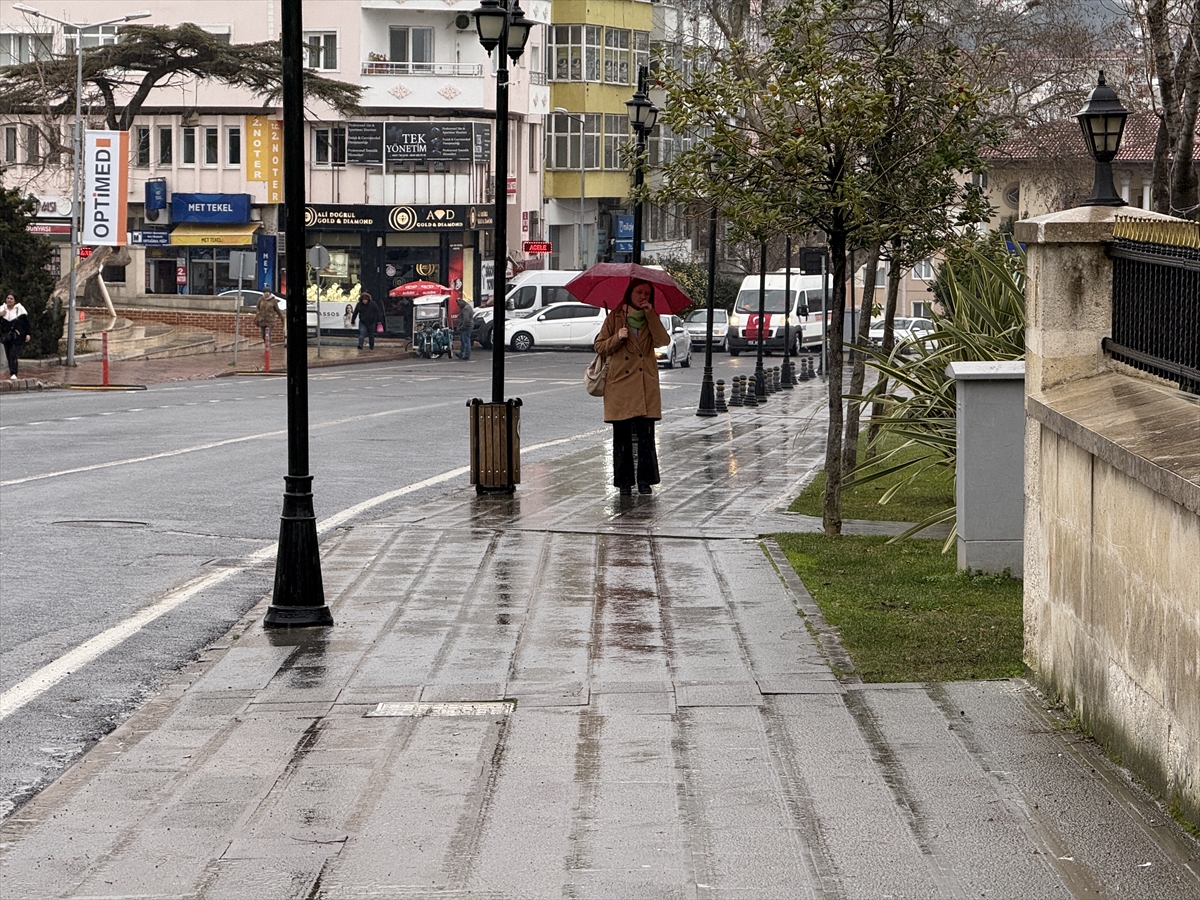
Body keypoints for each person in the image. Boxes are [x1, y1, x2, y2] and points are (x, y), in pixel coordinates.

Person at [593, 280, 670, 496]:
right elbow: (599, 346)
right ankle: (624, 483)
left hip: (645, 384)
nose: (642, 296)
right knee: (622, 437)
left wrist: (651, 315)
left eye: (647, 293)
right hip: (620, 385)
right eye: (639, 292)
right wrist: (618, 337)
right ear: (630, 293)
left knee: (646, 436)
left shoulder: (650, 316)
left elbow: (663, 340)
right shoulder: (615, 316)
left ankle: (645, 481)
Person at [1, 293, 32, 381]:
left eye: (11, 298)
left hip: (17, 336)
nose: (9, 300)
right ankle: (12, 370)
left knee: (13, 353)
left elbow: (26, 323)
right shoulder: (2, 309)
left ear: (15, 301)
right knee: (8, 354)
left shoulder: (20, 310)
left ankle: (13, 372)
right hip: (6, 337)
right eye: (8, 298)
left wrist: (28, 334)